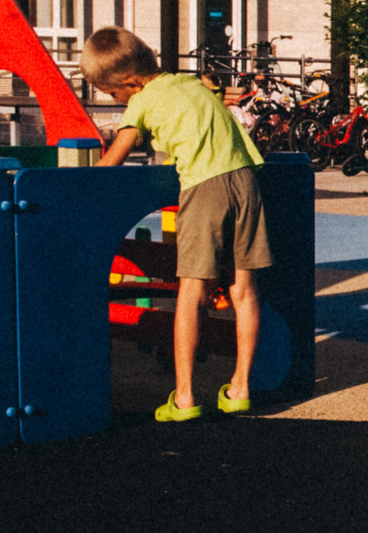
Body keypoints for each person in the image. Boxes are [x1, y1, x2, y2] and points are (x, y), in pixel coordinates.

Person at [83, 26, 270, 421]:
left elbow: (113, 160)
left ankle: (184, 397)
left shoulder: (141, 103)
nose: (117, 101)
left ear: (129, 83)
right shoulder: (192, 85)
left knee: (191, 289)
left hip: (204, 187)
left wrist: (76, 185)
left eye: (113, 94)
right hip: (247, 180)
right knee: (243, 289)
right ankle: (240, 388)